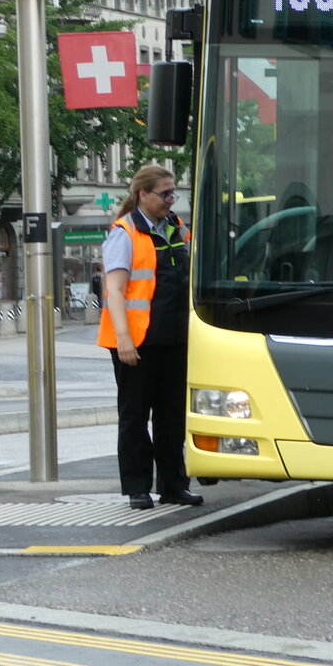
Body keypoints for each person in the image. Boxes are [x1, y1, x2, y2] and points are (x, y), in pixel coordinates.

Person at [97, 164, 201, 510]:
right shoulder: (124, 233)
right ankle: (138, 488)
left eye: (174, 193)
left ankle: (174, 485)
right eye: (165, 193)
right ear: (143, 194)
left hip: (174, 338)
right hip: (136, 341)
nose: (172, 200)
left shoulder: (177, 228)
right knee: (135, 415)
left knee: (172, 416)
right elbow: (114, 290)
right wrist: (123, 339)